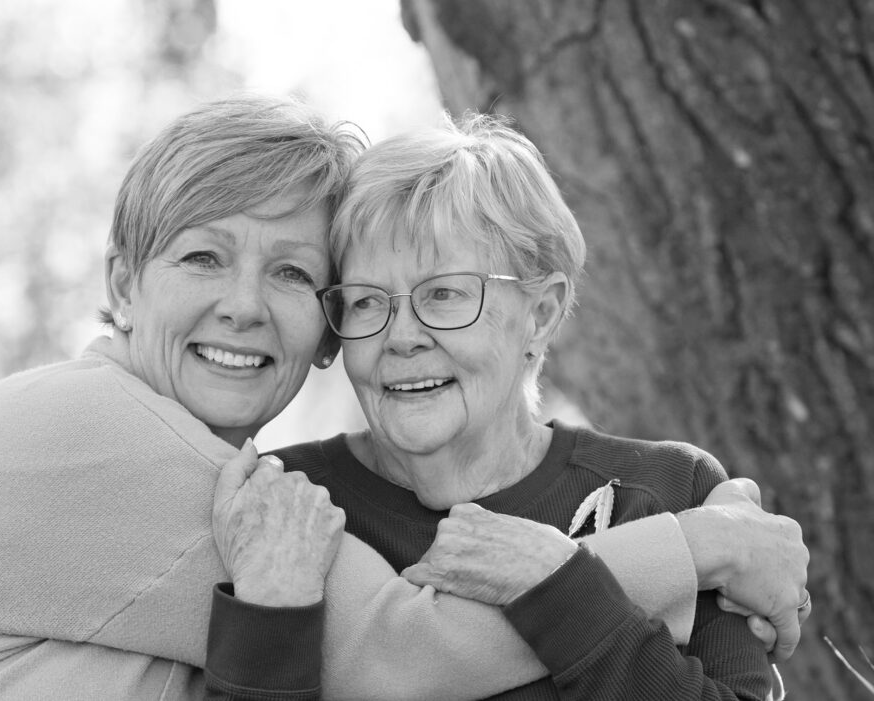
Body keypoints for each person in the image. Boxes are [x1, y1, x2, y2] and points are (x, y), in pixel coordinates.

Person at [0, 95, 805, 701]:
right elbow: (404, 656)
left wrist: (612, 560)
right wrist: (704, 548)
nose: (245, 306)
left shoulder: (663, 483)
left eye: (295, 275)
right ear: (124, 283)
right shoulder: (213, 480)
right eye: (202, 255)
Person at [210, 112, 812, 700]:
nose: (400, 337)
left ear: (541, 314)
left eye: (444, 294)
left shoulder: (668, 489)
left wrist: (555, 583)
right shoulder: (286, 506)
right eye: (367, 302)